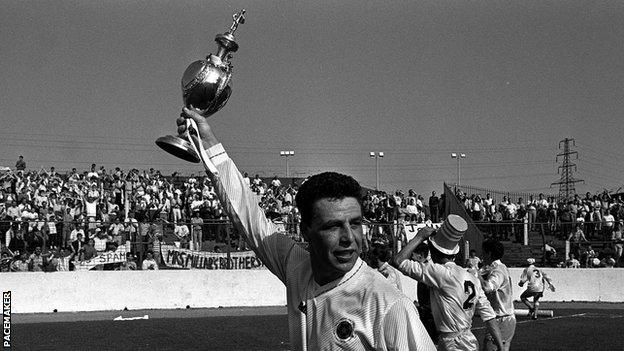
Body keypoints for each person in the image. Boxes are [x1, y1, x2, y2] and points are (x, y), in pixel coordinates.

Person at [177, 107, 435, 350]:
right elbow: (246, 213)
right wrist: (207, 141)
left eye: (355, 224)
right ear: (305, 231)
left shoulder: (389, 304)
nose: (349, 238)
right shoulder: (297, 269)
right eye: (333, 226)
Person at [394, 215, 504, 351]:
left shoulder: (439, 273)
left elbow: (398, 260)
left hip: (452, 344)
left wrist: (420, 236)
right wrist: (501, 346)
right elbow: (489, 317)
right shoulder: (472, 278)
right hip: (469, 340)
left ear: (434, 251)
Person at [480, 241, 515, 351]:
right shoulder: (499, 267)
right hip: (507, 317)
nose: (482, 256)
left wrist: (476, 274)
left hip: (501, 319)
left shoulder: (498, 270)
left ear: (489, 253)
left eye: (483, 253)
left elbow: (487, 287)